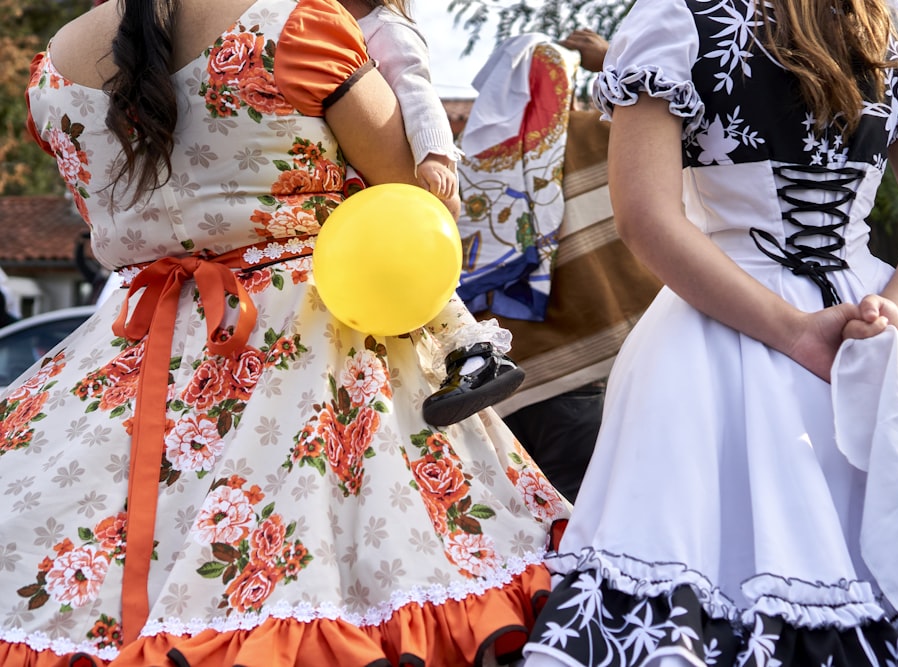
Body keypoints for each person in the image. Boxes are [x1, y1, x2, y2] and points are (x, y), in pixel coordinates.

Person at [0, 0, 569, 664]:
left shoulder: (55, 68)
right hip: (315, 346)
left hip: (128, 352)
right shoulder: (296, 23)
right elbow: (412, 192)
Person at [522, 0, 898, 665]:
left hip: (722, 327)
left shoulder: (677, 22)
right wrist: (893, 311)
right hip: (866, 328)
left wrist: (844, 324)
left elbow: (647, 216)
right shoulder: (896, 29)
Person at [459, 28, 661, 503]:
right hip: (603, 381)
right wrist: (612, 60)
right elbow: (695, 115)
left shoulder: (463, 177)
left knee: (542, 544)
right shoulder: (610, 138)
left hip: (509, 396)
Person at [338, 0, 527, 429]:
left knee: (414, 274)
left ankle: (476, 355)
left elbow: (418, 90)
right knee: (401, 278)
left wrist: (437, 156)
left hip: (402, 184)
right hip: (371, 192)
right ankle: (467, 358)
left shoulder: (383, 27)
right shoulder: (336, 22)